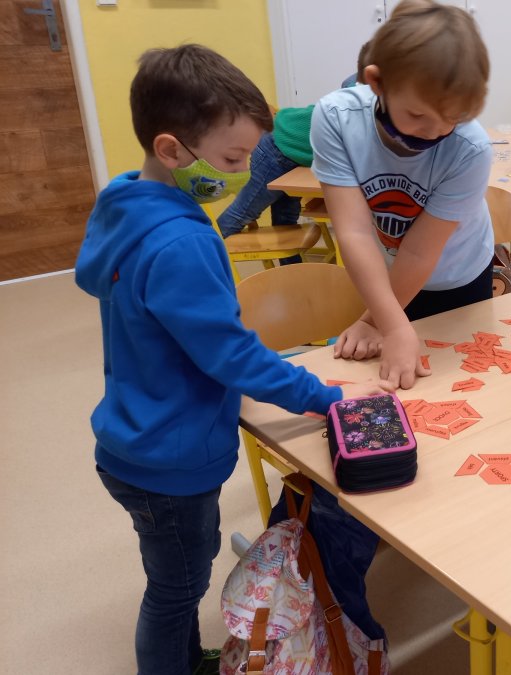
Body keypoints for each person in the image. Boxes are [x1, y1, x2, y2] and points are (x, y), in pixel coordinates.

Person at [74, 44, 384, 675]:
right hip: (170, 460)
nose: (244, 174)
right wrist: (323, 396)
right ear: (171, 149)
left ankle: (183, 657)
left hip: (137, 435)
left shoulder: (127, 199)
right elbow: (233, 356)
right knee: (177, 588)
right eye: (233, 159)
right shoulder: (182, 242)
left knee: (174, 576)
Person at [291, 0, 493, 644]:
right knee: (385, 408)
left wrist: (386, 321)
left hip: (457, 279)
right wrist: (384, 319)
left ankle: (453, 536)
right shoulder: (335, 116)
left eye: (453, 119)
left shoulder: (469, 145)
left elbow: (423, 251)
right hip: (384, 276)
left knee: (465, 414)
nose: (436, 133)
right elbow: (353, 231)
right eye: (419, 116)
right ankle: (340, 554)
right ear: (375, 82)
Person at [215, 41, 371, 242]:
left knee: (286, 219)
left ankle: (289, 262)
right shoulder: (355, 101)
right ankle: (206, 251)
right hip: (277, 146)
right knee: (243, 213)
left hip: (292, 152)